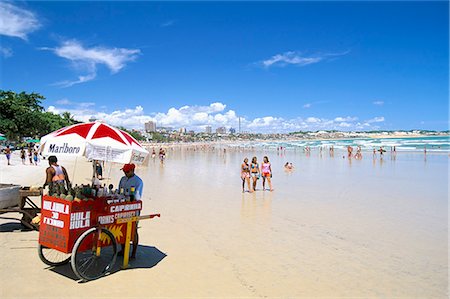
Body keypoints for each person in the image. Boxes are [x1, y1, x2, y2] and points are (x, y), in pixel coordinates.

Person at [118, 163, 143, 258]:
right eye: (124, 171)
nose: (125, 173)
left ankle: (133, 253)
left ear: (132, 171)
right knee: (122, 227)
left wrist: (130, 198)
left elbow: (137, 196)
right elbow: (119, 190)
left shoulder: (138, 181)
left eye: (127, 171)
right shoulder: (122, 179)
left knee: (134, 229)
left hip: (133, 207)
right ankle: (123, 249)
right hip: (122, 207)